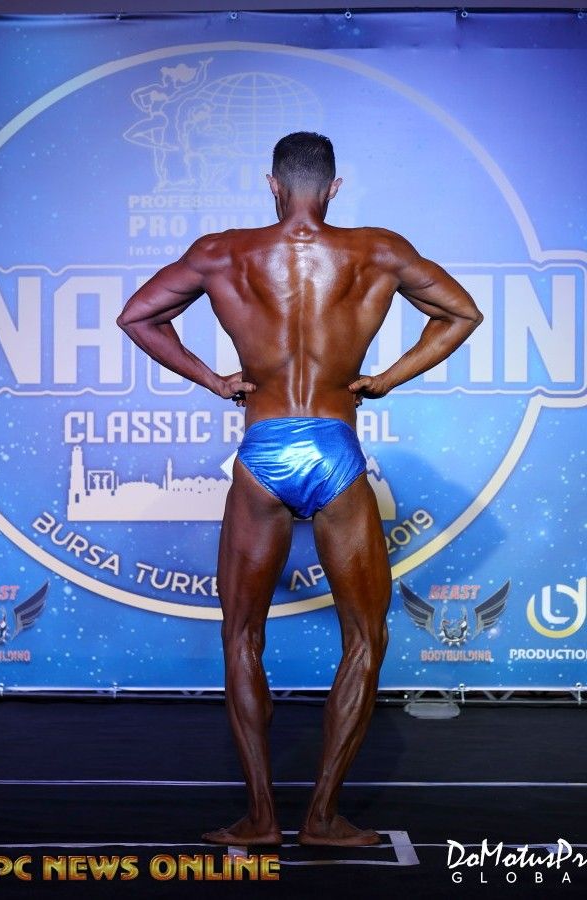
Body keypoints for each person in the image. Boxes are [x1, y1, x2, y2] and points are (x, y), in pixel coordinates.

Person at [117, 131, 483, 847]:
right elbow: (461, 314)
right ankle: (321, 818)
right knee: (366, 637)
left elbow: (138, 317)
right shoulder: (378, 251)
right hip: (335, 446)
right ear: (335, 187)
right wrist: (386, 379)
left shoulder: (222, 253)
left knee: (240, 635)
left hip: (263, 450)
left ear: (272, 184)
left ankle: (259, 817)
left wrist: (214, 380)